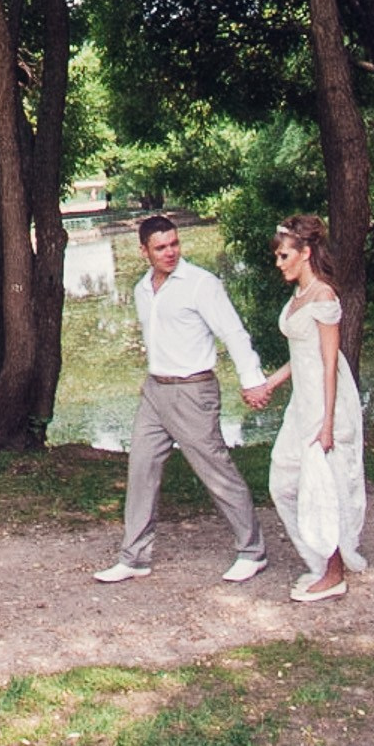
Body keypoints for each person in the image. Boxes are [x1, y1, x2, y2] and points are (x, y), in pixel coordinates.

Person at [94, 212, 274, 585]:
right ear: (144, 251)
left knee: (216, 471)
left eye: (174, 244)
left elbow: (234, 333)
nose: (170, 252)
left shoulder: (201, 284)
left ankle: (252, 551)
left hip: (193, 391)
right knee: (141, 468)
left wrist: (252, 379)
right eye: (161, 247)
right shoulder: (143, 288)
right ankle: (134, 557)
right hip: (155, 391)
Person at [257, 212, 369, 603]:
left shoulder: (323, 296)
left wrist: (326, 425)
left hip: (326, 405)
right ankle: (320, 561)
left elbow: (329, 362)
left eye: (284, 256)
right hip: (301, 403)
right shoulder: (299, 296)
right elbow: (300, 354)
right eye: (278, 256)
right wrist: (270, 382)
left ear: (305, 253)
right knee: (282, 481)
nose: (279, 262)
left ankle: (334, 572)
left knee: (323, 487)